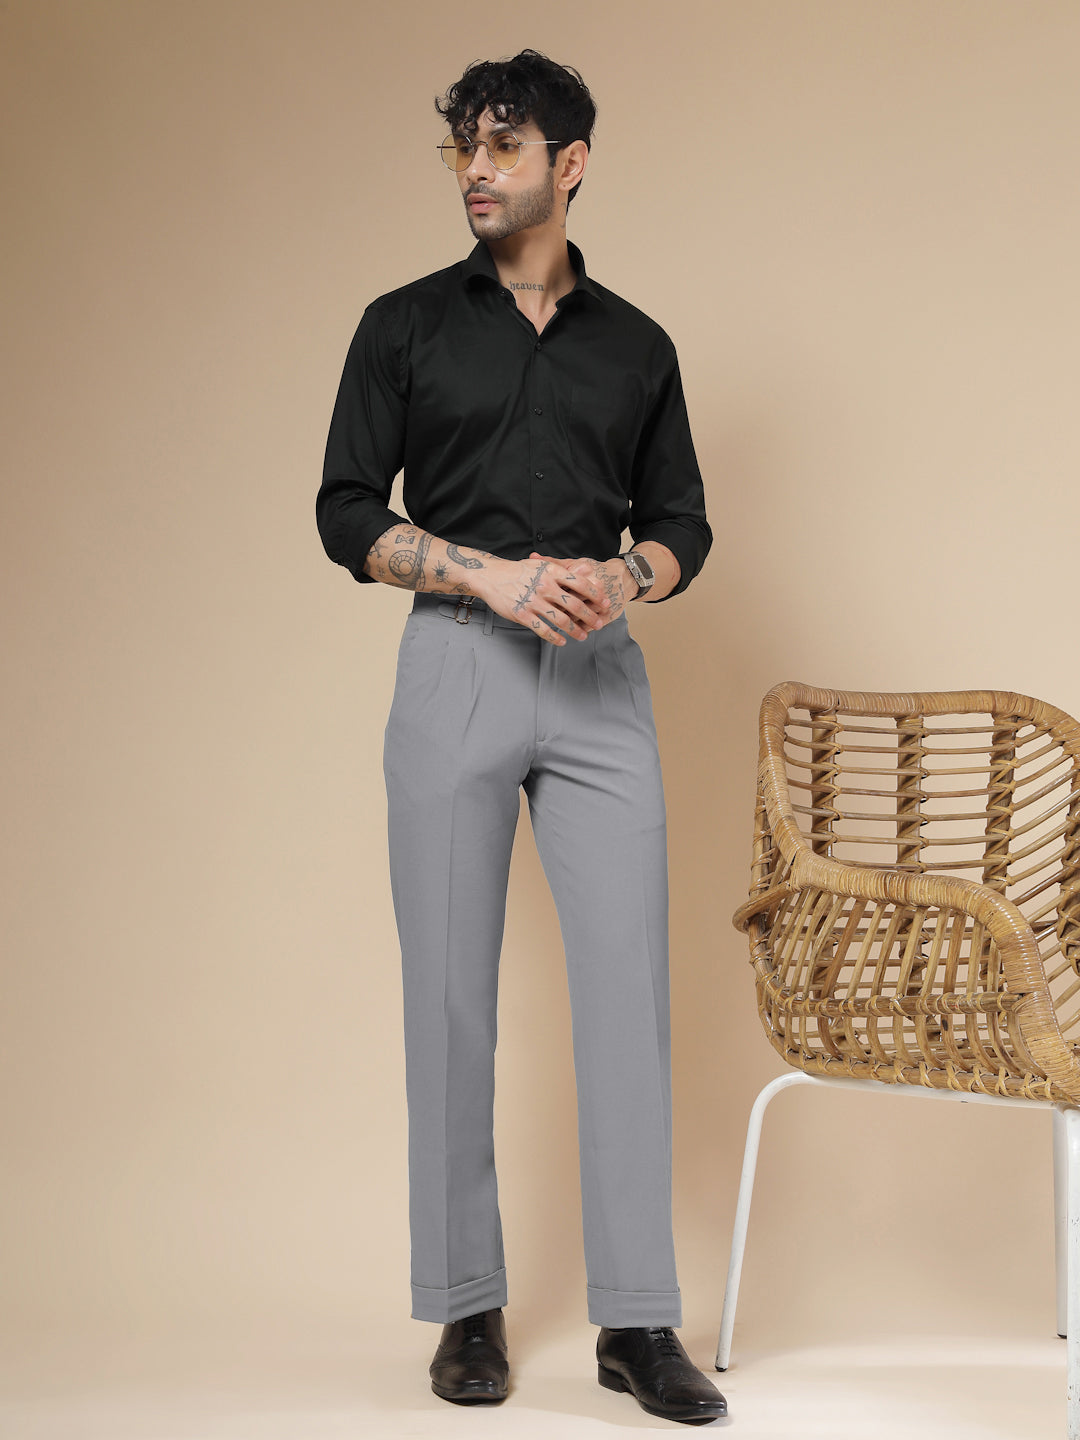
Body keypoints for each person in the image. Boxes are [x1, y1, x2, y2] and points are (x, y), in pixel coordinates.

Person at [316, 49, 725, 1426]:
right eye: (464, 149)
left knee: (627, 994)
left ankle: (639, 1321)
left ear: (572, 164)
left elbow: (682, 522)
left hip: (599, 676)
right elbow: (343, 508)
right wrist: (484, 576)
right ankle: (466, 1304)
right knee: (449, 995)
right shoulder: (403, 327)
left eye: (504, 146)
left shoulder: (638, 347)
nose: (478, 171)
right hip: (457, 661)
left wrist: (628, 577)